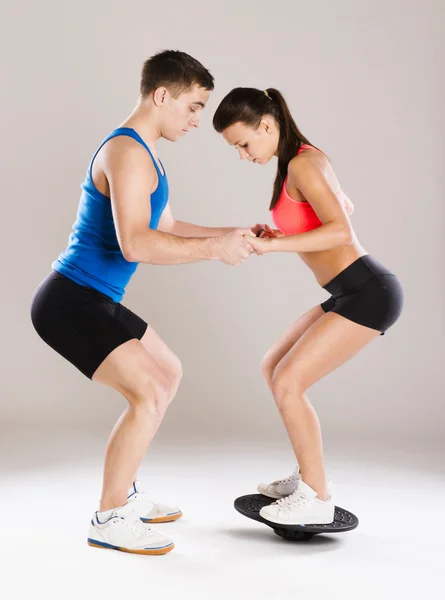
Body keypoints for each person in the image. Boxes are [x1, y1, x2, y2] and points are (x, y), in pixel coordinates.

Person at [31, 51, 256, 556]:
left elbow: (169, 228)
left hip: (97, 297)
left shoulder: (148, 153)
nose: (199, 119)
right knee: (148, 390)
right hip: (70, 300)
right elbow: (136, 243)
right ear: (162, 96)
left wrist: (233, 233)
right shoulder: (126, 152)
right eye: (194, 107)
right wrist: (215, 252)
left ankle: (125, 490)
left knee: (167, 372)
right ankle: (109, 516)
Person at [213, 87, 404, 526]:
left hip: (369, 291)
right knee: (273, 365)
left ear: (265, 125)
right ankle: (308, 475)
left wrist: (273, 250)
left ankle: (316, 496)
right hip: (347, 291)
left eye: (243, 144)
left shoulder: (304, 161)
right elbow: (333, 210)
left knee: (288, 382)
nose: (243, 156)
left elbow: (341, 230)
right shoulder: (295, 162)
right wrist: (280, 236)